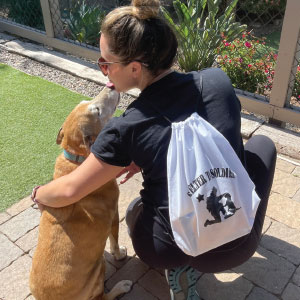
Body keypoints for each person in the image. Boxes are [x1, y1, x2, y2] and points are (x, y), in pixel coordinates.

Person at [32, 0, 277, 299]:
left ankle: (179, 268)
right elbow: (216, 136)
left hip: (167, 250)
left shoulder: (126, 128)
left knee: (136, 209)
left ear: (134, 68)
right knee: (263, 145)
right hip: (237, 247)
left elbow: (69, 191)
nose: (103, 71)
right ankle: (242, 214)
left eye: (105, 62)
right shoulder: (217, 80)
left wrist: (39, 193)